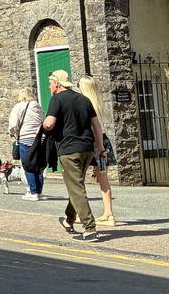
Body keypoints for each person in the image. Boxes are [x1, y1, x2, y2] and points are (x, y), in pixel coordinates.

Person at [42, 69, 105, 241]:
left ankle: (90, 228)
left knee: (76, 187)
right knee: (76, 185)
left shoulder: (56, 99)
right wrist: (100, 148)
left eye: (50, 83)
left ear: (56, 83)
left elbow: (49, 123)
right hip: (87, 149)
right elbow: (96, 125)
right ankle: (69, 220)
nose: (49, 86)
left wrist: (44, 127)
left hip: (69, 150)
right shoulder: (84, 99)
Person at [79, 74, 116, 226]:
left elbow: (93, 127)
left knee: (77, 178)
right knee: (103, 180)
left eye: (79, 85)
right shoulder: (98, 103)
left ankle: (78, 212)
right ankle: (109, 214)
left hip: (91, 142)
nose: (78, 88)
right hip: (103, 141)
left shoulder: (85, 104)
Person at [8, 88, 45, 200]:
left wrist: (12, 133)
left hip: (25, 139)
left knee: (28, 166)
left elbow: (13, 125)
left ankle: (33, 192)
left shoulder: (18, 107)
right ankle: (39, 192)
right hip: (39, 139)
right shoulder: (38, 106)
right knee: (38, 166)